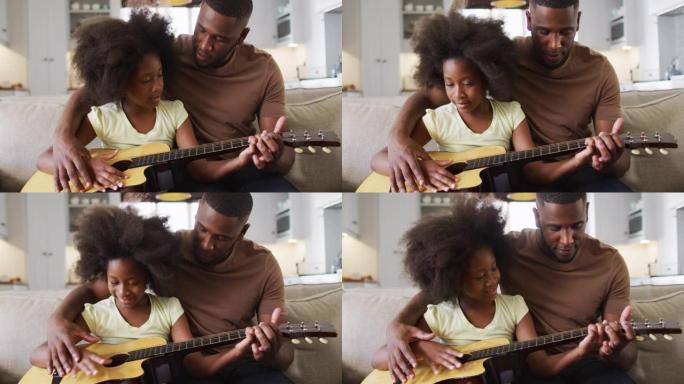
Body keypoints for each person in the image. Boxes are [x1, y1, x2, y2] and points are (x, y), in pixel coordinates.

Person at [384, 193, 637, 384]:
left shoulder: (610, 262)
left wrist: (611, 350)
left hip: (585, 364)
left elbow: (625, 354)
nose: (567, 240)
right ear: (538, 217)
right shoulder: (508, 249)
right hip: (528, 367)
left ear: (588, 212)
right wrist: (396, 325)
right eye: (555, 228)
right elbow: (442, 283)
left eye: (577, 226)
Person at [44, 193, 294, 384]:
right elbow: (94, 289)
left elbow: (283, 353)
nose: (207, 244)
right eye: (202, 229)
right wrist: (58, 320)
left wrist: (269, 350)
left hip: (240, 362)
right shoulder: (166, 250)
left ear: (242, 232)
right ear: (197, 214)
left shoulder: (263, 265)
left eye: (221, 238)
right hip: (180, 363)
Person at [385, 0, 631, 193]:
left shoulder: (599, 70)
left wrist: (611, 156)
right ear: (529, 20)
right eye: (544, 32)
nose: (555, 44)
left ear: (577, 21)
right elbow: (428, 96)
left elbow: (618, 162)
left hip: (578, 169)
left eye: (565, 32)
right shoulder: (501, 58)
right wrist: (397, 137)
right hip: (519, 170)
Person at [50, 0, 296, 192]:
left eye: (219, 39)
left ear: (242, 36)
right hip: (189, 170)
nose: (204, 44)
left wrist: (273, 155)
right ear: (199, 12)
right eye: (201, 30)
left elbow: (283, 152)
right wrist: (63, 137)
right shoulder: (169, 54)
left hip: (243, 166)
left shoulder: (264, 69)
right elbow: (91, 92)